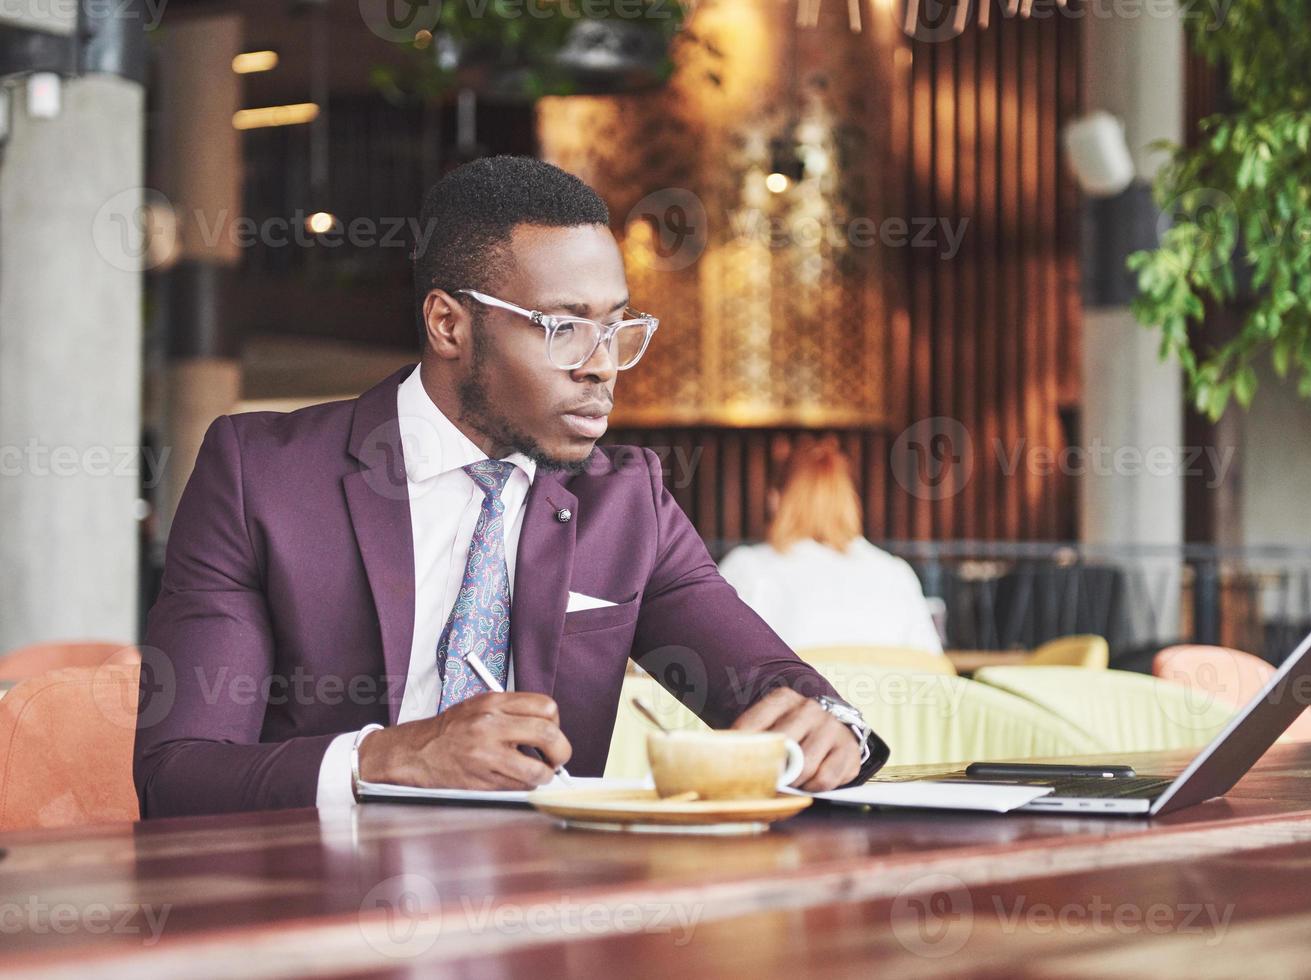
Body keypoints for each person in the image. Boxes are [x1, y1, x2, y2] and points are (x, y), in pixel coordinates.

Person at [134, 157, 887, 818]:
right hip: (314, 916)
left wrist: (830, 727)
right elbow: (179, 773)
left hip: (546, 917)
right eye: (564, 328)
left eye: (616, 329)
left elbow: (773, 684)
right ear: (449, 325)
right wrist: (387, 757)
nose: (601, 365)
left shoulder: (625, 500)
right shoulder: (260, 476)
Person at [718, 442, 944, 655]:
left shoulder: (747, 567)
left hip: (799, 696)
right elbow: (930, 664)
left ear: (775, 499)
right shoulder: (896, 572)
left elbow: (717, 656)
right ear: (848, 500)